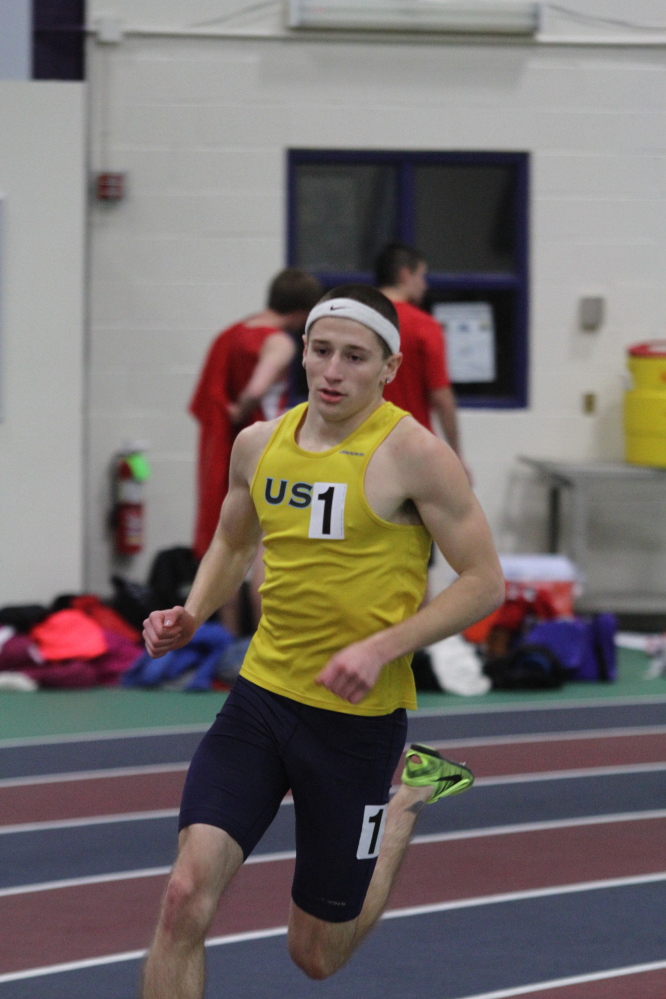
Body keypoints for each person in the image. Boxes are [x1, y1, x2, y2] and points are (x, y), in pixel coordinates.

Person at [141, 284, 504, 996]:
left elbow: (484, 581)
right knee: (183, 896)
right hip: (261, 700)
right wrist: (194, 611)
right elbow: (233, 542)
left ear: (388, 367)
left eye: (355, 357)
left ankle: (407, 798)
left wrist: (380, 647)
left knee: (316, 953)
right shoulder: (259, 444)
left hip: (355, 724)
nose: (333, 371)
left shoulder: (416, 455)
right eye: (321, 350)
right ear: (302, 351)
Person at [189, 267, 321, 630]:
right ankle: (265, 640)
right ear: (302, 311)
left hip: (228, 453)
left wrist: (228, 416)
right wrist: (242, 408)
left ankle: (230, 637)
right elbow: (258, 388)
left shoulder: (230, 334)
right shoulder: (278, 341)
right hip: (265, 451)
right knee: (266, 551)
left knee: (227, 544)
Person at [375, 241, 470, 479]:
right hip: (410, 448)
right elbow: (441, 397)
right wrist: (456, 455)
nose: (425, 285)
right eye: (421, 276)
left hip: (360, 443)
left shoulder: (356, 321)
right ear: (405, 275)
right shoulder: (423, 326)